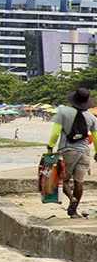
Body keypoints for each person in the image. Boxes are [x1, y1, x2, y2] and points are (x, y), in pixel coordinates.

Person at [47, 87, 97, 218]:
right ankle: (74, 212)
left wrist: (50, 147)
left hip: (67, 150)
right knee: (78, 182)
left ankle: (72, 199)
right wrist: (96, 152)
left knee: (63, 179)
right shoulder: (91, 117)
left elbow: (56, 132)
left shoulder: (63, 112)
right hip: (85, 152)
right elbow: (95, 137)